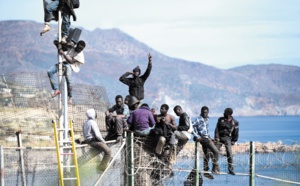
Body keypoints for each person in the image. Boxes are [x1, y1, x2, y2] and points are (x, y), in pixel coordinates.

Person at [47, 40, 85, 104]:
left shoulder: (80, 55)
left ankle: (70, 97)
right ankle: (56, 89)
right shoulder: (72, 47)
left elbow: (71, 61)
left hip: (70, 66)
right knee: (50, 71)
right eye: (78, 48)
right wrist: (59, 43)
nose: (79, 50)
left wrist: (63, 54)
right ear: (77, 45)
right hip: (63, 63)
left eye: (81, 49)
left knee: (68, 78)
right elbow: (59, 46)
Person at [193, 106, 220, 179]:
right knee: (216, 152)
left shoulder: (207, 119)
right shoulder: (198, 119)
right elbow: (192, 127)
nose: (205, 114)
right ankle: (214, 167)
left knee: (207, 155)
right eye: (203, 112)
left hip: (207, 138)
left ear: (208, 112)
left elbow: (206, 130)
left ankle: (205, 172)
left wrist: (210, 138)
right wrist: (197, 136)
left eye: (206, 112)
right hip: (204, 139)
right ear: (201, 112)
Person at [214, 108, 239, 175]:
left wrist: (234, 140)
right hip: (219, 138)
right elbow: (217, 129)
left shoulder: (235, 122)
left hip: (228, 139)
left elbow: (236, 132)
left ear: (228, 114)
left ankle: (230, 169)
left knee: (229, 153)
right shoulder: (220, 119)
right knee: (214, 151)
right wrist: (216, 137)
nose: (223, 113)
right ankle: (216, 168)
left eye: (224, 112)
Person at [154, 104, 177, 168]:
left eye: (163, 108)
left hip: (169, 134)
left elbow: (175, 127)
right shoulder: (157, 117)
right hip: (161, 134)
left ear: (166, 110)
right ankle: (158, 154)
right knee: (162, 140)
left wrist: (168, 124)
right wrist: (160, 121)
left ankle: (171, 162)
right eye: (161, 108)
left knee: (174, 144)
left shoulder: (170, 117)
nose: (161, 110)